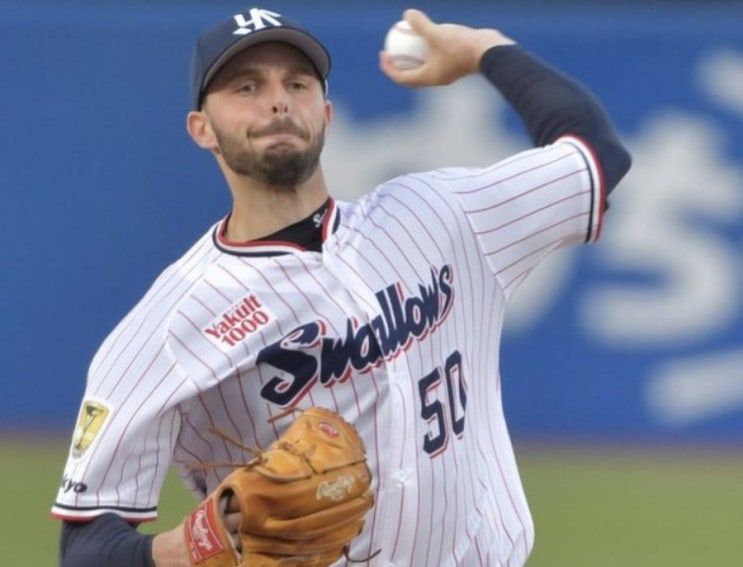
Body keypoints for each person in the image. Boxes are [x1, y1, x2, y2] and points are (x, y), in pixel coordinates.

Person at [52, 5, 631, 566]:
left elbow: (594, 156)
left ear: (326, 114)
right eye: (246, 87)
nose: (277, 99)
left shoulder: (441, 214)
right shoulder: (172, 323)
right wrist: (190, 547)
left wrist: (484, 49)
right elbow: (85, 547)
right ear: (202, 129)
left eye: (297, 83)